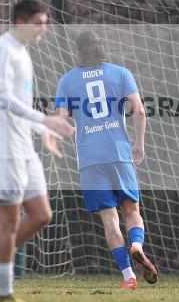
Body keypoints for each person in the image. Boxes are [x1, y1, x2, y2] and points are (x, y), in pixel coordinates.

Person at [0, 0, 75, 302]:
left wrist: (42, 130)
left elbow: (20, 105)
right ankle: (6, 295)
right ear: (20, 22)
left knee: (42, 215)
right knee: (10, 222)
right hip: (2, 150)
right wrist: (46, 120)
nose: (44, 29)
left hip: (23, 148)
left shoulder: (23, 53)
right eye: (39, 23)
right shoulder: (2, 49)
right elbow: (3, 99)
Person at [53, 31, 156, 289]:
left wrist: (67, 132)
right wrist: (139, 143)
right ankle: (136, 245)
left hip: (90, 160)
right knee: (131, 210)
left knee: (109, 219)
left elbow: (60, 121)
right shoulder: (121, 73)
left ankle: (129, 277)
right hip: (119, 154)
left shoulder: (67, 81)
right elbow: (139, 111)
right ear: (101, 48)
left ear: (78, 51)